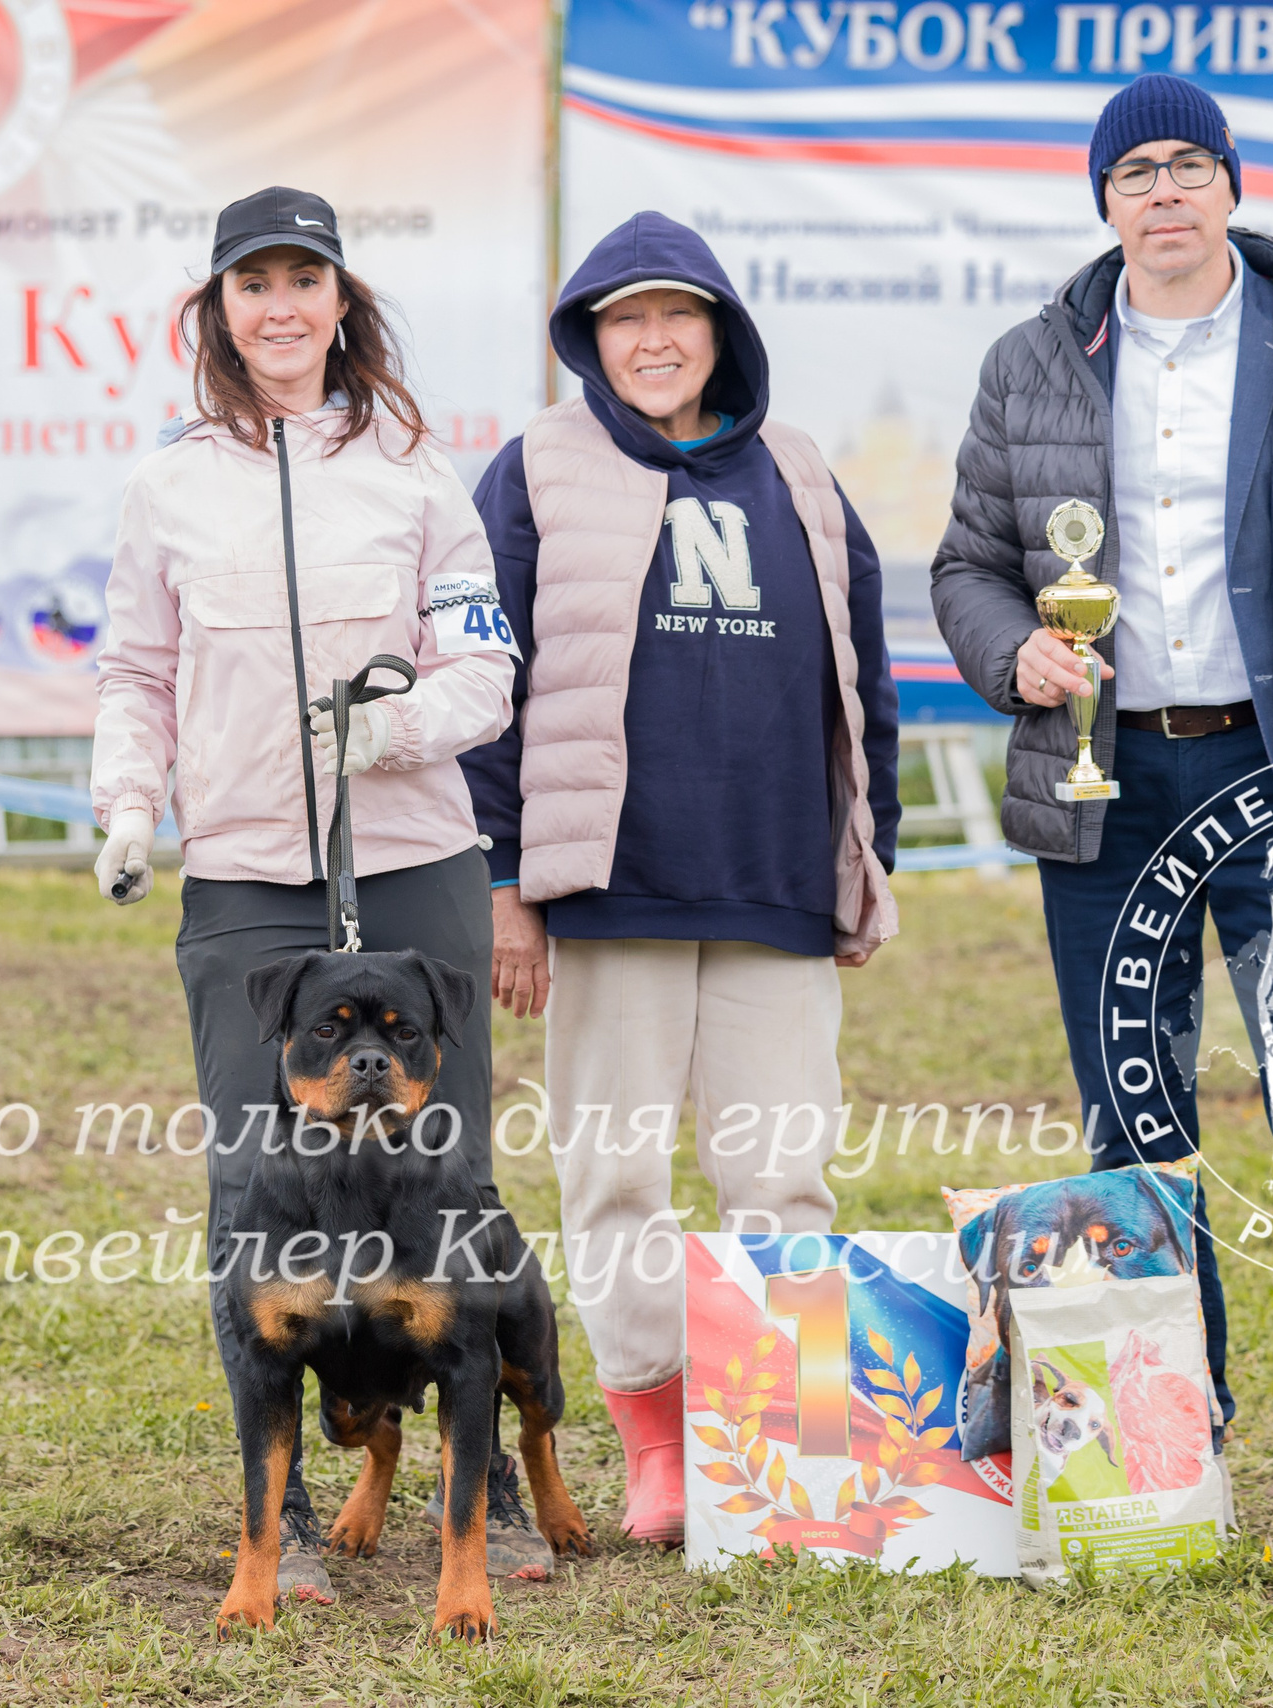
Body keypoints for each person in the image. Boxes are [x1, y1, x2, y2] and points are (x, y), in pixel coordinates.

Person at [930, 73, 1273, 1596]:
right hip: (1107, 794)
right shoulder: (1033, 361)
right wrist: (1014, 658)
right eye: (1134, 173)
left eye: (1188, 166)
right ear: (1101, 200)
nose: (1163, 194)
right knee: (1139, 1132)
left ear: (1232, 182)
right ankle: (1184, 1452)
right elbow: (969, 566)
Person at [88, 186, 547, 1600]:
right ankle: (278, 1525)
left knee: (446, 1169)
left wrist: (396, 732)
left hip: (412, 866)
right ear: (217, 311)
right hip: (242, 877)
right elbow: (135, 673)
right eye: (252, 286)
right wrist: (124, 802)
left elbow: (484, 663)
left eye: (305, 281)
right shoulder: (168, 482)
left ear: (343, 301)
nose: (280, 308)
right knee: (253, 1182)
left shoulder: (417, 468)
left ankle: (495, 1499)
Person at [460, 211, 902, 1546]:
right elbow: (494, 683)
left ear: (723, 331)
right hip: (611, 885)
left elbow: (862, 683)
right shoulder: (536, 469)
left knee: (784, 1175)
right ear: (591, 340)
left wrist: (865, 860)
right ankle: (660, 1448)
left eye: (680, 314)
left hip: (771, 882)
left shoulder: (805, 474)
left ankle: (804, 1449)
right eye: (624, 318)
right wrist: (504, 879)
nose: (654, 340)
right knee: (617, 1177)